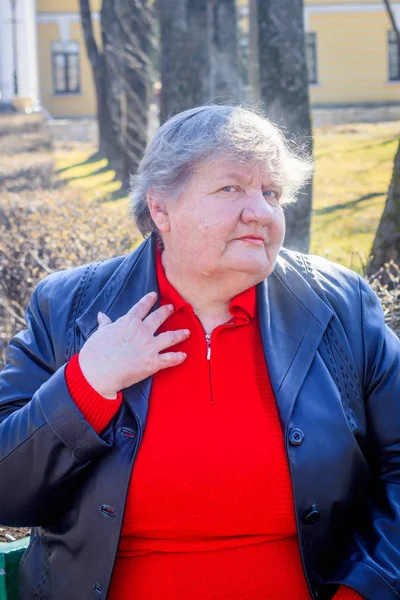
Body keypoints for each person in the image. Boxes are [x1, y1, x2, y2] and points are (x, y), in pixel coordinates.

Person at [0, 105, 399, 600]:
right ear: (161, 208)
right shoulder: (68, 308)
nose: (260, 210)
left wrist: (366, 592)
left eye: (270, 192)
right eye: (231, 188)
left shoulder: (341, 306)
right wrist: (88, 383)